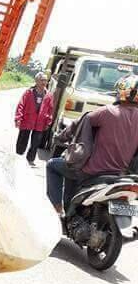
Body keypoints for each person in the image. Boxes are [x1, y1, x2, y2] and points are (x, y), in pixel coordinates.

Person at [46, 74, 138, 215]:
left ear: (122, 91)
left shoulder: (108, 112)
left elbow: (80, 122)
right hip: (121, 175)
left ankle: (58, 210)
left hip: (92, 171)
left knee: (52, 165)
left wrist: (61, 136)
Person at [14, 71, 53, 166]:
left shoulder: (49, 95)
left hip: (40, 122)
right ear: (36, 81)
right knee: (23, 138)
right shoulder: (29, 92)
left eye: (45, 80)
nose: (44, 82)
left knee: (36, 142)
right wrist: (18, 118)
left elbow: (50, 109)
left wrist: (48, 122)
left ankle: (31, 158)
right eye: (42, 80)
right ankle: (18, 155)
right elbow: (21, 105)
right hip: (27, 119)